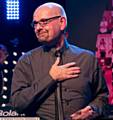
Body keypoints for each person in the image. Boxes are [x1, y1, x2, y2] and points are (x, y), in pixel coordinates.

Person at [10, 2, 109, 120]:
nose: (38, 28)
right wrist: (51, 78)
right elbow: (17, 103)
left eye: (44, 22)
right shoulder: (27, 61)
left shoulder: (87, 59)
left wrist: (93, 109)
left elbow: (102, 97)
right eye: (35, 23)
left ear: (62, 22)